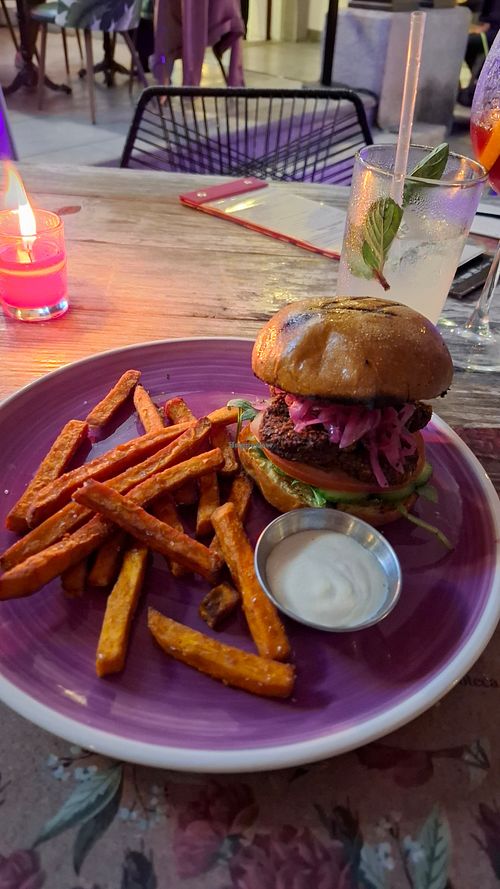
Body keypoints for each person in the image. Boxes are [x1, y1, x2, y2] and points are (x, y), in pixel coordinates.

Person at [458, 0, 500, 105]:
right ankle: (476, 85)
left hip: (494, 32)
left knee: (466, 43)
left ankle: (478, 87)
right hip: (491, 28)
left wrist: (488, 23)